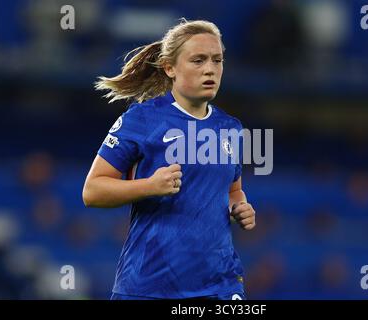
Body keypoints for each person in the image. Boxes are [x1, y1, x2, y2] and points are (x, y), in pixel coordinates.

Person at [82, 19, 256, 300]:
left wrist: (240, 206)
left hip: (220, 285)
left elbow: (232, 190)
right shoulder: (142, 119)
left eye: (217, 60)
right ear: (170, 67)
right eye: (198, 60)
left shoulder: (230, 128)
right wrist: (149, 186)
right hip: (150, 285)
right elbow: (92, 191)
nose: (210, 69)